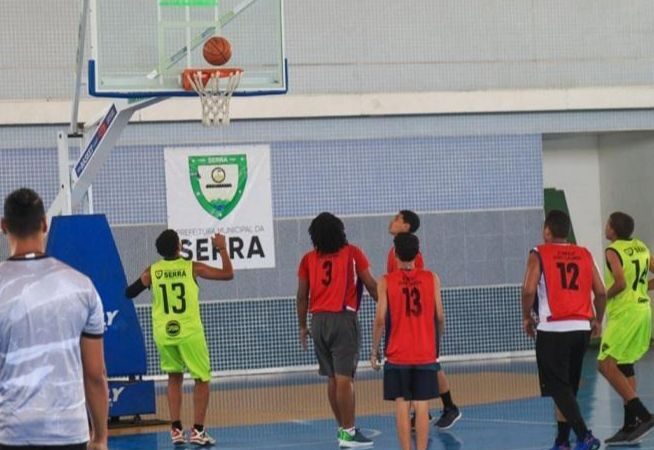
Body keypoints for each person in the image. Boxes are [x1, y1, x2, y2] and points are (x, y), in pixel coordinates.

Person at [0, 188, 108, 450]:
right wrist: (100, 438)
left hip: (11, 432)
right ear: (44, 224)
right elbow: (95, 373)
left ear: (3, 226)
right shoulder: (81, 286)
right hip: (68, 431)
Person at [125, 229, 233, 446]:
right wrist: (221, 247)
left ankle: (176, 430)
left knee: (174, 377)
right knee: (202, 378)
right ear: (179, 247)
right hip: (189, 332)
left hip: (164, 332)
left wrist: (151, 283)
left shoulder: (152, 271)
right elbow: (227, 273)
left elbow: (130, 293)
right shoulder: (192, 267)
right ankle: (198, 431)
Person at [521, 210, 606, 450]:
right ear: (567, 231)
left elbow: (528, 290)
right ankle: (561, 441)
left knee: (558, 387)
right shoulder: (584, 253)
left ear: (547, 230)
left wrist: (526, 317)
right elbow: (600, 292)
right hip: (581, 328)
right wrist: (598, 319)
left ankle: (584, 434)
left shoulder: (539, 253)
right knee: (567, 387)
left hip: (553, 328)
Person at [296, 212, 378, 448]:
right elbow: (372, 286)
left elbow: (302, 296)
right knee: (345, 379)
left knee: (332, 378)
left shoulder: (308, 259)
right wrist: (388, 310)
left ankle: (343, 429)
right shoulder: (353, 253)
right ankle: (349, 433)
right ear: (340, 231)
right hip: (343, 318)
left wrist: (303, 326)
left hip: (318, 321)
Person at [387, 210, 461, 429]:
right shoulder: (395, 251)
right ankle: (423, 412)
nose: (392, 221)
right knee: (415, 364)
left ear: (407, 226)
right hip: (404, 318)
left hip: (416, 319)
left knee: (429, 365)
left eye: (398, 219)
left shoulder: (412, 255)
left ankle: (449, 406)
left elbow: (414, 289)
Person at [371, 233, 444, 450]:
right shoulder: (432, 278)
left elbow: (380, 319)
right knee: (422, 404)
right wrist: (436, 341)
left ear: (395, 254)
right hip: (425, 351)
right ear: (417, 253)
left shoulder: (385, 281)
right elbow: (440, 316)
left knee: (402, 403)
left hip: (397, 352)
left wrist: (374, 351)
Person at [597, 212, 654, 445]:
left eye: (608, 223)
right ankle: (630, 424)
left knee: (605, 364)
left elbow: (619, 282)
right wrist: (641, 288)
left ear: (613, 230)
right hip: (643, 310)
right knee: (624, 363)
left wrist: (601, 297)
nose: (605, 226)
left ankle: (644, 415)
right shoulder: (640, 246)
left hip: (626, 314)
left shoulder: (613, 250)